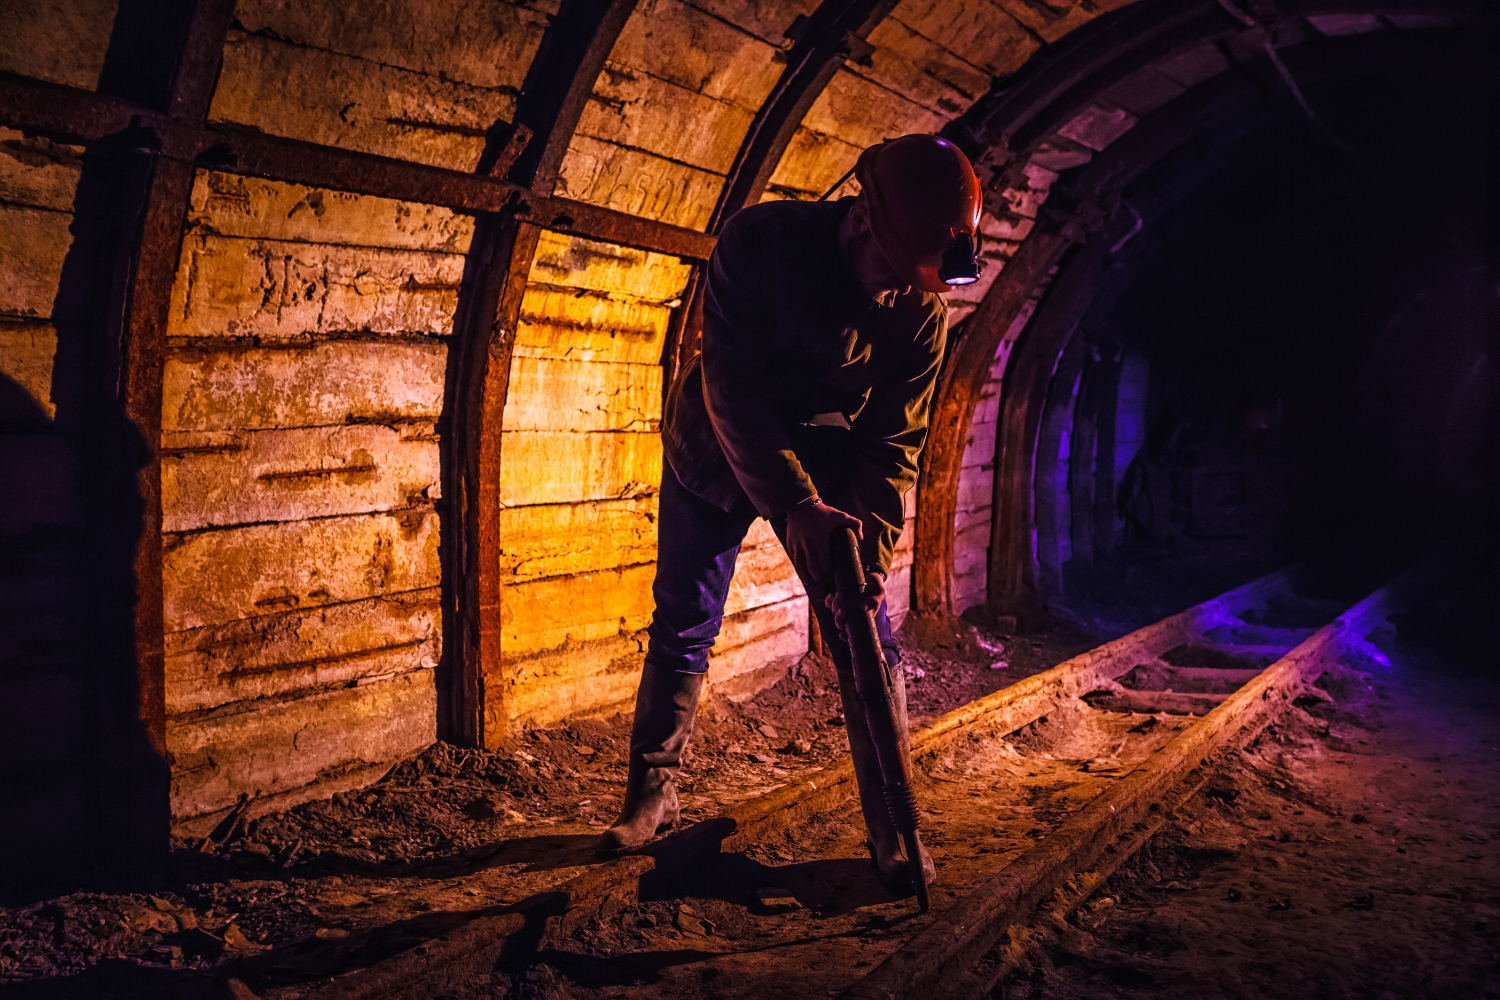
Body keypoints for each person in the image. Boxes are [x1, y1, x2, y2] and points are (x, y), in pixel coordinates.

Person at [596, 134, 984, 890]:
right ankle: (651, 795)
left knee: (864, 629)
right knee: (684, 618)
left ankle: (894, 825)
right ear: (862, 219)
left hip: (826, 453)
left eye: (913, 282)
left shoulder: (919, 312)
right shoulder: (759, 244)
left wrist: (869, 562)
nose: (895, 292)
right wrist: (798, 505)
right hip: (717, 443)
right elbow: (732, 390)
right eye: (891, 272)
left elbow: (892, 446)